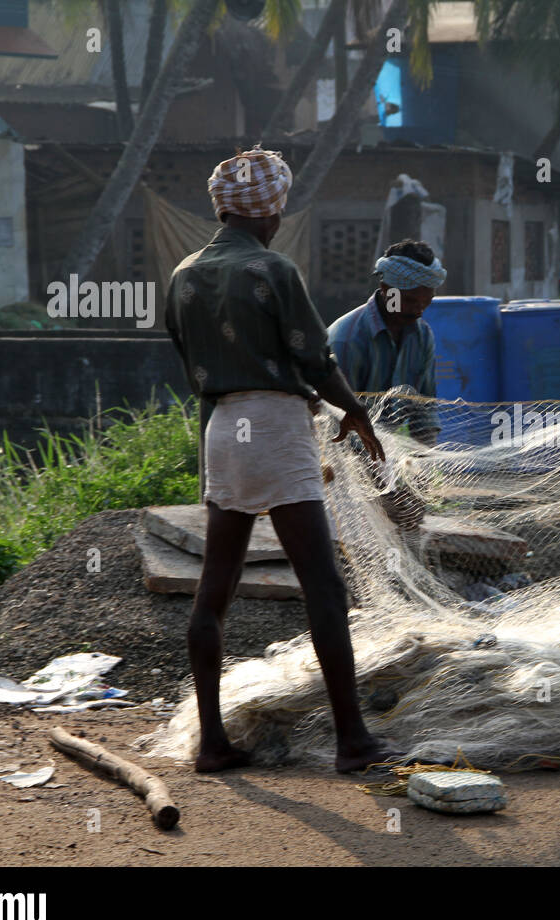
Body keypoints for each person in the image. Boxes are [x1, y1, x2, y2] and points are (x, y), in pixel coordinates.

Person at [164, 146, 399, 773]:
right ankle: (354, 741)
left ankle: (211, 742)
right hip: (274, 423)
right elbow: (314, 359)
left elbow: (186, 350)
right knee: (322, 584)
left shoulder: (184, 274)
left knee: (213, 592)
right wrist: (354, 409)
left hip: (222, 428)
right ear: (270, 210)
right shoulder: (272, 269)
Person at [327, 239, 445, 446]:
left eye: (426, 302)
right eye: (409, 301)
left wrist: (426, 464)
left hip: (385, 451)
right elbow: (336, 425)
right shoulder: (348, 339)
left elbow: (424, 413)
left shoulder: (423, 337)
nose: (419, 311)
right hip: (339, 450)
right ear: (386, 288)